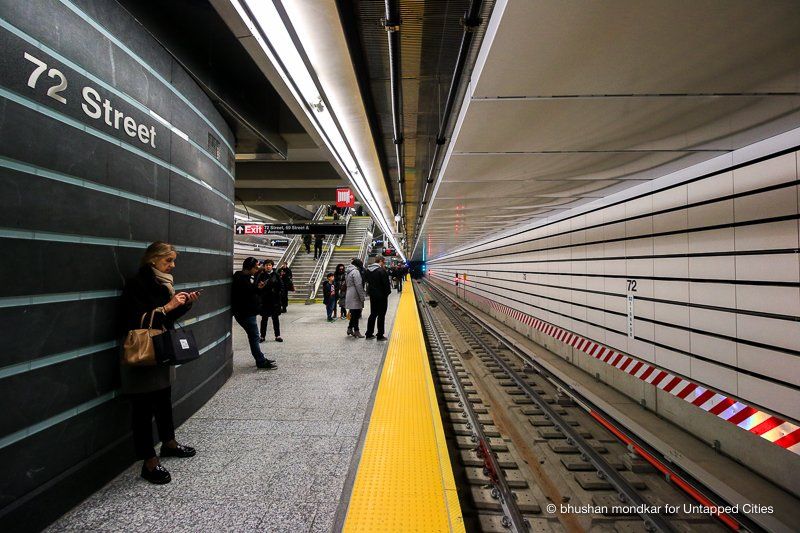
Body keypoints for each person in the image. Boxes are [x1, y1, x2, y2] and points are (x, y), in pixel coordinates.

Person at [121, 241, 200, 484]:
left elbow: (165, 318)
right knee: (143, 409)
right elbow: (134, 319)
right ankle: (149, 461)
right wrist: (168, 306)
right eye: (169, 260)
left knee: (164, 400)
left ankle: (169, 443)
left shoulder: (162, 282)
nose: (172, 265)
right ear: (153, 259)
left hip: (162, 349)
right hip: (144, 353)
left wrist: (184, 304)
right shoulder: (137, 283)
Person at [232, 257, 277, 370]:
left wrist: (258, 288)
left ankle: (260, 359)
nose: (257, 269)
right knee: (254, 337)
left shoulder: (242, 276)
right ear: (250, 268)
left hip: (246, 313)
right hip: (245, 313)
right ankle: (260, 361)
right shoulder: (242, 279)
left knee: (254, 337)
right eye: (255, 267)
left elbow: (251, 291)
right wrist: (257, 289)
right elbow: (248, 294)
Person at [364, 256, 392, 340]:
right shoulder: (381, 271)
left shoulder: (368, 270)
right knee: (381, 315)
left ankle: (369, 333)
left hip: (373, 295)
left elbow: (367, 281)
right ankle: (380, 335)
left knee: (373, 314)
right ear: (380, 261)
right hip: (382, 296)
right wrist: (387, 294)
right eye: (383, 262)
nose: (384, 264)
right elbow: (386, 285)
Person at [257, 259, 283, 343]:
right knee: (264, 319)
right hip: (265, 300)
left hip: (274, 300)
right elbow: (257, 287)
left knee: (275, 319)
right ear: (264, 266)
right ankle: (262, 336)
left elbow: (281, 286)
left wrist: (277, 292)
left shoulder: (276, 275)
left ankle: (277, 335)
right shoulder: (261, 275)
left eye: (269, 265)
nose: (268, 266)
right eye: (266, 265)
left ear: (272, 266)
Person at [345, 258, 366, 337]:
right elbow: (358, 285)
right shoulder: (356, 272)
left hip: (349, 292)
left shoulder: (348, 271)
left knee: (354, 313)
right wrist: (362, 296)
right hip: (355, 294)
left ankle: (350, 328)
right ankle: (356, 331)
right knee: (356, 313)